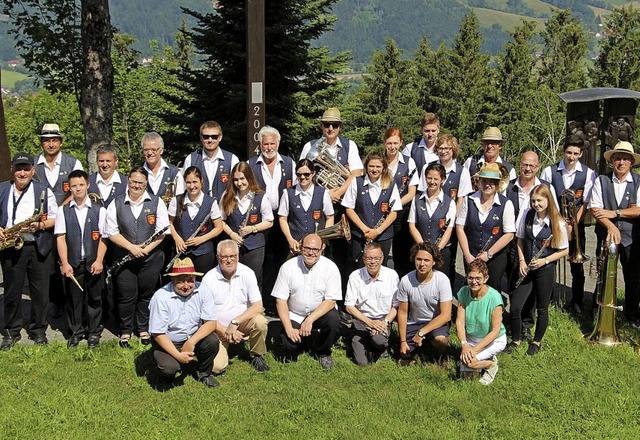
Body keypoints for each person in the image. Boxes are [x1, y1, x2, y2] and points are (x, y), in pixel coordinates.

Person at [105, 167, 170, 347]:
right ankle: (125, 330)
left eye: (140, 183)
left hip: (150, 259)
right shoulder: (116, 203)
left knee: (146, 294)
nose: (137, 185)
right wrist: (132, 248)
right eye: (134, 181)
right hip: (124, 259)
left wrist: (146, 249)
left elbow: (162, 232)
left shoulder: (157, 202)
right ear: (128, 181)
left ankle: (143, 328)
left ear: (146, 183)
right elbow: (111, 232)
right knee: (126, 296)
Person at [0, 152, 58, 349]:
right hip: (11, 245)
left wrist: (39, 227)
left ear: (33, 170)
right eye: (19, 168)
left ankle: (38, 331)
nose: (22, 172)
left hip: (37, 245)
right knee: (11, 291)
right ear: (12, 170)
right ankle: (11, 331)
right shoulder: (2, 190)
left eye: (26, 169)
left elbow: (55, 218)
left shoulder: (44, 191)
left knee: (40, 291)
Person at [506, 184, 569, 355]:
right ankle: (516, 340)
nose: (536, 204)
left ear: (548, 200)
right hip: (526, 268)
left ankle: (536, 342)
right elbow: (519, 240)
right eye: (533, 201)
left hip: (545, 270)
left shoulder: (558, 222)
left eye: (539, 201)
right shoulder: (526, 215)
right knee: (515, 307)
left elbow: (564, 250)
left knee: (542, 308)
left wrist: (545, 260)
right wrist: (521, 262)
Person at [540, 136, 596, 315]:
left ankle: (577, 301)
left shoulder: (588, 173)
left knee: (576, 264)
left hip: (576, 224)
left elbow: (586, 201)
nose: (571, 157)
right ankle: (547, 299)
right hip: (554, 223)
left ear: (580, 154)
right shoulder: (549, 171)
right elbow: (546, 198)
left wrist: (574, 223)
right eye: (568, 153)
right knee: (551, 263)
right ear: (563, 152)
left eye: (575, 153)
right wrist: (559, 222)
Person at [271, 233, 342, 369]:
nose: (311, 252)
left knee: (334, 320)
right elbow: (280, 300)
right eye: (307, 248)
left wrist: (309, 320)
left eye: (315, 249)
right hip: (295, 314)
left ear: (322, 249)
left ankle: (323, 352)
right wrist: (289, 328)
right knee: (288, 345)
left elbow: (331, 301)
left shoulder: (331, 268)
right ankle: (304, 341)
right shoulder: (288, 267)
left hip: (320, 313)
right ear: (301, 248)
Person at [589, 141, 640, 328]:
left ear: (631, 162)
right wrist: (611, 226)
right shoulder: (601, 180)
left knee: (632, 277)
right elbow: (595, 208)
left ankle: (633, 313)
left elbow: (639, 210)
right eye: (617, 158)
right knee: (602, 274)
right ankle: (598, 310)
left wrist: (615, 213)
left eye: (625, 159)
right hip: (606, 235)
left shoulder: (638, 182)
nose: (621, 162)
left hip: (631, 238)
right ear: (612, 161)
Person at [55, 170, 108, 348]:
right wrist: (65, 262)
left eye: (81, 185)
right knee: (74, 299)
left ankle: (93, 332)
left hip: (93, 261)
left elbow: (104, 238)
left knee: (95, 298)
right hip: (73, 262)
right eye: (74, 186)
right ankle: (75, 332)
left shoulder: (99, 210)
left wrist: (99, 260)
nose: (78, 189)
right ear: (69, 188)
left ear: (88, 185)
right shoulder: (63, 211)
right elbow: (60, 237)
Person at [148, 257, 220, 388]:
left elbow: (211, 322)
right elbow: (158, 334)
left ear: (195, 279)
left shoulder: (203, 290)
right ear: (172, 280)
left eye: (190, 280)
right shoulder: (160, 297)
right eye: (180, 282)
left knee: (213, 341)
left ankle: (204, 373)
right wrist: (179, 356)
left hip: (193, 336)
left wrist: (191, 342)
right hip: (169, 341)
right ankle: (166, 375)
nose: (186, 286)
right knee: (168, 368)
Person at [201, 240, 270, 374]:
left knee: (260, 322)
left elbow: (258, 306)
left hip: (241, 323)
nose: (229, 260)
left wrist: (235, 322)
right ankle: (224, 347)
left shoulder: (248, 273)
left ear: (238, 256)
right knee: (216, 368)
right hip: (218, 328)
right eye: (224, 257)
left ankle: (256, 355)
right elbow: (206, 317)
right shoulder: (208, 279)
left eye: (232, 256)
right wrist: (225, 331)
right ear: (217, 258)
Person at [248, 126, 296, 310]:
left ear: (278, 143)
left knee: (282, 259)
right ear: (260, 144)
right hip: (260, 219)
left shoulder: (289, 163)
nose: (269, 147)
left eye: (272, 143)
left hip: (283, 217)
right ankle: (264, 302)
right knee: (262, 260)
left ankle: (281, 302)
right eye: (265, 144)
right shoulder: (251, 164)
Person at [417, 134, 473, 286]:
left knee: (448, 260)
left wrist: (452, 221)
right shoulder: (428, 168)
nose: (443, 151)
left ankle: (446, 292)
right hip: (430, 218)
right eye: (440, 148)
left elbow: (461, 198)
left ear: (453, 149)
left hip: (451, 222)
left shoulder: (462, 171)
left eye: (447, 148)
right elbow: (422, 192)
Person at [456, 162, 516, 292]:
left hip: (495, 257)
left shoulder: (506, 203)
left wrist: (488, 254)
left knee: (492, 289)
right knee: (472, 289)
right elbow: (460, 228)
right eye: (484, 181)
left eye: (492, 181)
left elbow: (509, 234)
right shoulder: (468, 200)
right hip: (471, 255)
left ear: (498, 183)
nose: (488, 184)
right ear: (479, 181)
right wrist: (467, 255)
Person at [342, 150, 402, 269]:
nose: (374, 169)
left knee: (381, 269)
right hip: (360, 235)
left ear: (383, 167)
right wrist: (365, 229)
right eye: (371, 166)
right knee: (359, 268)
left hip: (383, 236)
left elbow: (394, 212)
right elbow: (349, 208)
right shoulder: (356, 182)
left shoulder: (390, 183)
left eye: (378, 166)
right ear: (366, 167)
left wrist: (378, 231)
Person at [397, 241, 452, 365]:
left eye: (426, 260)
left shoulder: (442, 280)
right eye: (419, 259)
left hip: (436, 322)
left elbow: (446, 315)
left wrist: (422, 332)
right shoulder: (406, 281)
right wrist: (402, 341)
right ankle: (421, 351)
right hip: (414, 322)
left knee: (440, 340)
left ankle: (440, 355)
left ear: (434, 262)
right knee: (404, 355)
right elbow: (402, 312)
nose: (422, 264)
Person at [220, 162, 273, 289]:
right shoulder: (227, 196)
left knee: (253, 280)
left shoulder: (260, 197)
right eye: (236, 180)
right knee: (233, 279)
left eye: (242, 179)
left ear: (249, 177)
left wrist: (252, 228)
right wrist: (232, 234)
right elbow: (220, 220)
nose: (239, 183)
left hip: (255, 246)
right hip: (234, 245)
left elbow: (269, 221)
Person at [345, 242, 399, 366]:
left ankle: (381, 348)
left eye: (376, 258)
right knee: (362, 362)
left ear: (382, 258)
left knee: (379, 341)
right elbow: (349, 306)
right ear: (364, 259)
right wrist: (370, 323)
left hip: (382, 319)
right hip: (362, 319)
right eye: (369, 258)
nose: (373, 262)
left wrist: (384, 323)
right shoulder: (355, 276)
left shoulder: (392, 275)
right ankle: (365, 343)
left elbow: (396, 305)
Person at [456, 259, 506, 385]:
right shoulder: (463, 292)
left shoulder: (495, 298)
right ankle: (484, 357)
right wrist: (464, 345)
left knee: (470, 362)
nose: (474, 282)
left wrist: (474, 350)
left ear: (486, 278)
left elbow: (495, 331)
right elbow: (460, 322)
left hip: (493, 339)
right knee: (466, 377)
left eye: (478, 278)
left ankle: (491, 365)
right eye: (470, 278)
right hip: (472, 338)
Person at [300, 108, 363, 204]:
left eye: (334, 125)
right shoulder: (309, 146)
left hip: (344, 203)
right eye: (326, 125)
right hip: (317, 202)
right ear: (321, 126)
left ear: (340, 127)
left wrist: (337, 193)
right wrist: (326, 195)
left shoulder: (350, 145)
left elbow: (357, 174)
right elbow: (302, 176)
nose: (330, 128)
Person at [168, 166, 223, 276]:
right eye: (188, 182)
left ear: (201, 181)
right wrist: (177, 238)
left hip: (204, 252)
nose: (192, 186)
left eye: (195, 182)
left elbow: (219, 227)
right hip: (181, 252)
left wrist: (201, 239)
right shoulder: (176, 201)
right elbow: (169, 223)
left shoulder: (211, 202)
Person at [408, 163, 456, 281]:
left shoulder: (450, 203)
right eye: (429, 178)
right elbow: (412, 225)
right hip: (420, 251)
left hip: (441, 251)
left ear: (442, 180)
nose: (432, 181)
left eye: (436, 179)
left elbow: (449, 229)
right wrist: (423, 248)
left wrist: (437, 249)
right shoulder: (416, 200)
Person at [278, 158, 334, 254]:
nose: (303, 177)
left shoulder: (323, 193)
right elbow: (282, 218)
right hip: (296, 246)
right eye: (299, 174)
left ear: (313, 174)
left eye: (306, 174)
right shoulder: (288, 193)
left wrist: (324, 238)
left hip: (318, 247)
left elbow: (330, 217)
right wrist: (290, 239)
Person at [384, 127, 418, 277]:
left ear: (401, 143)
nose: (392, 147)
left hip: (402, 213)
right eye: (389, 143)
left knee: (402, 255)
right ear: (384, 143)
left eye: (395, 143)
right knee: (381, 253)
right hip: (381, 213)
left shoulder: (409, 163)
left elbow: (411, 193)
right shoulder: (378, 161)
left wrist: (395, 205)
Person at [183, 120, 239, 202]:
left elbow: (237, 187)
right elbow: (185, 187)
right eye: (206, 137)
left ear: (220, 137)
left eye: (214, 136)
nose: (210, 140)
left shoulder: (232, 159)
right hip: (198, 211)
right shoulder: (191, 159)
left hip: (225, 210)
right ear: (201, 138)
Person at [33, 123, 83, 206]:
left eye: (55, 140)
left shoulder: (73, 164)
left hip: (68, 213)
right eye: (47, 141)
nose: (51, 145)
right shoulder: (32, 164)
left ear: (61, 142)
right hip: (41, 216)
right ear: (41, 143)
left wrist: (61, 210)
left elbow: (80, 190)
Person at [140, 131, 185, 200]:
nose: (149, 153)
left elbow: (179, 202)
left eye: (153, 149)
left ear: (161, 150)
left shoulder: (174, 173)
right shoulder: (137, 172)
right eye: (146, 150)